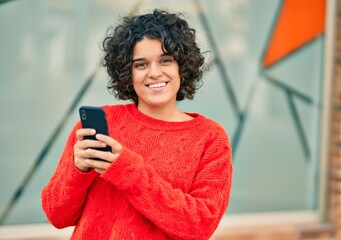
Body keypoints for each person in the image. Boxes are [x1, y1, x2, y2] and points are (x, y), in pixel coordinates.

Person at [41, 9, 232, 240]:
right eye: (141, 65)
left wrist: (129, 171)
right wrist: (78, 170)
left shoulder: (210, 138)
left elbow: (199, 227)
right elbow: (57, 216)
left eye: (165, 60)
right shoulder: (102, 124)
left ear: (182, 66)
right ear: (127, 73)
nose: (154, 73)